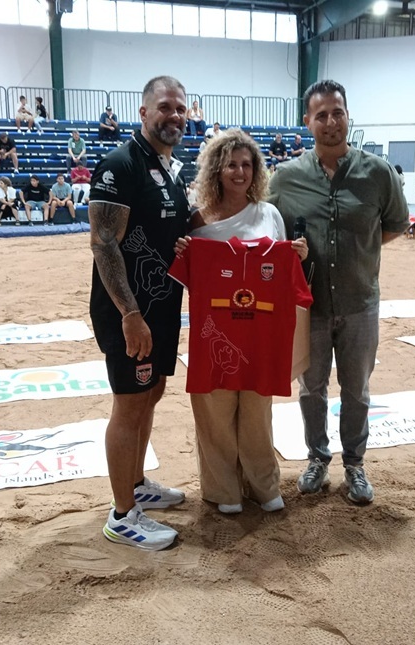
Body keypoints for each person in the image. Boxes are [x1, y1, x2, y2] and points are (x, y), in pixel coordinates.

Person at [268, 79, 409, 505]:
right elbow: (269, 228)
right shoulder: (286, 178)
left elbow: (393, 225)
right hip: (309, 307)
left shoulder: (378, 173)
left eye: (338, 112)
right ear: (307, 121)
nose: (331, 121)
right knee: (311, 389)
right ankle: (316, 458)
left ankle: (355, 465)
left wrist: (359, 251)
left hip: (360, 302)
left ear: (348, 116)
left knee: (357, 390)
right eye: (322, 114)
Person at [170, 128, 309, 515]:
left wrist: (296, 254)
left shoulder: (270, 215)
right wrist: (184, 249)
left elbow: (284, 273)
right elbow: (184, 274)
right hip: (214, 333)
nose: (239, 171)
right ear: (217, 169)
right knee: (214, 413)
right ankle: (223, 490)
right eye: (231, 164)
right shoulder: (195, 221)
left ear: (257, 170)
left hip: (260, 335)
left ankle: (262, 485)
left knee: (257, 415)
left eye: (247, 164)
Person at [88, 76, 190, 551]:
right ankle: (122, 514)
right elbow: (104, 242)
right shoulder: (120, 164)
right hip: (129, 310)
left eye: (181, 109)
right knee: (129, 402)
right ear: (144, 112)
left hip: (164, 305)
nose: (174, 115)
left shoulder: (170, 168)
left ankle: (136, 484)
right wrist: (129, 313)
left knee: (152, 391)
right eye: (165, 107)